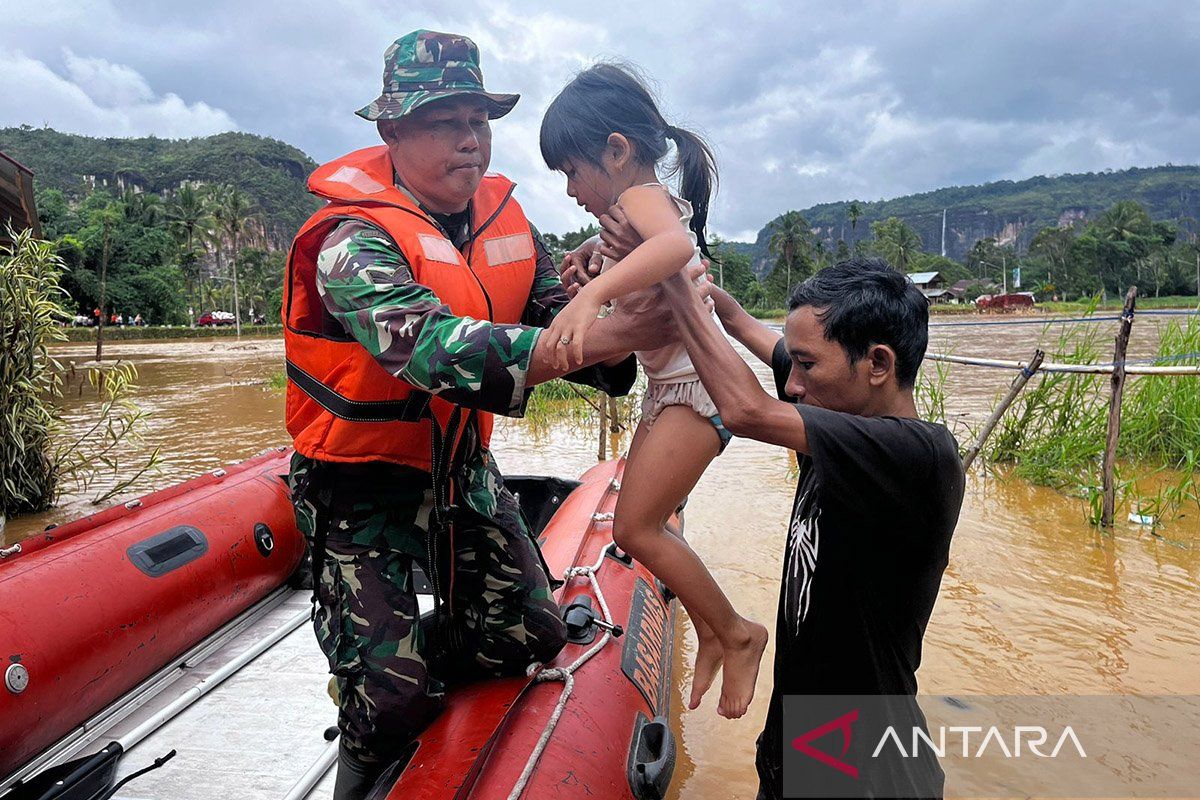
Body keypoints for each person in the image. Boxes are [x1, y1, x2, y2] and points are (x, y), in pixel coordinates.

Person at [281, 31, 696, 800]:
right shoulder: (352, 240)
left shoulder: (506, 223)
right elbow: (435, 351)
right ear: (393, 132)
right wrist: (609, 330)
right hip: (358, 483)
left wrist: (612, 292)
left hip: (458, 470)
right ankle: (374, 687)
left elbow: (558, 315)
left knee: (528, 634)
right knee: (389, 703)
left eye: (480, 120)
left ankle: (387, 656)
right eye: (446, 123)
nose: (471, 141)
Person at [660, 258, 965, 799]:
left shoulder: (917, 456)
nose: (792, 384)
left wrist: (673, 292)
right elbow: (744, 326)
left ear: (878, 363)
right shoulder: (834, 400)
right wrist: (686, 274)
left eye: (806, 365)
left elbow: (745, 410)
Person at [538, 63, 768, 720]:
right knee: (641, 524)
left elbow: (669, 243)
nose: (570, 188)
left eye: (571, 171)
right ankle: (715, 629)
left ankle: (738, 633)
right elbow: (642, 241)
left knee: (638, 527)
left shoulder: (645, 200)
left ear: (616, 151)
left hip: (696, 391)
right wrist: (592, 255)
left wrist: (595, 299)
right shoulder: (628, 210)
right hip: (668, 391)